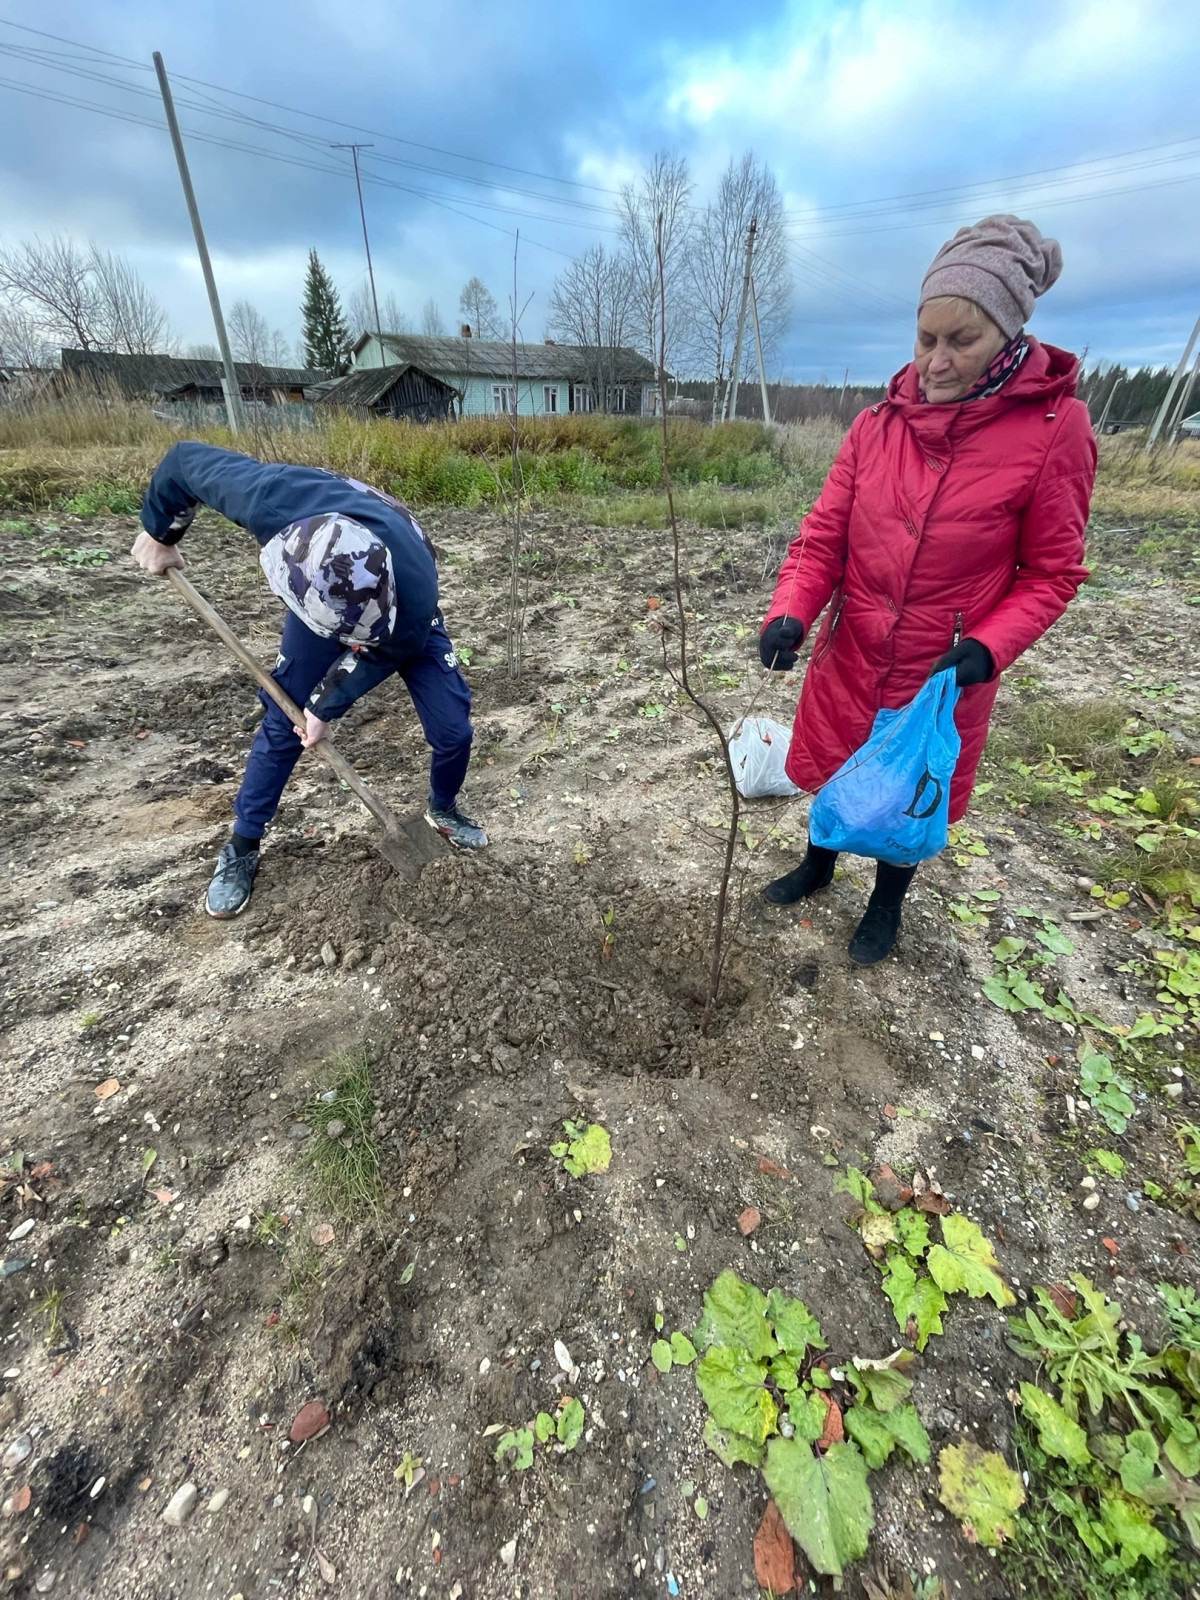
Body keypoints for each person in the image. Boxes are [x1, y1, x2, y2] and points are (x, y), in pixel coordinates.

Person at [759, 214, 1096, 965]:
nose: (936, 361)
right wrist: (790, 611)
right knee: (837, 767)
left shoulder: (1054, 430)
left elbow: (1053, 573)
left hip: (940, 671)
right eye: (926, 339)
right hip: (851, 654)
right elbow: (822, 538)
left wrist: (987, 648)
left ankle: (886, 905)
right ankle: (816, 868)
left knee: (908, 792)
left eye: (961, 341)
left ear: (1006, 336)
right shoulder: (877, 426)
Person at [131, 442, 487, 919]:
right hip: (323, 591)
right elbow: (180, 461)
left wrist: (326, 707)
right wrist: (160, 532)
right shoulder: (267, 497)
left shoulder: (413, 597)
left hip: (399, 610)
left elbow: (381, 656)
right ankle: (242, 844)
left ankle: (442, 809)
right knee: (285, 716)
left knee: (453, 730)